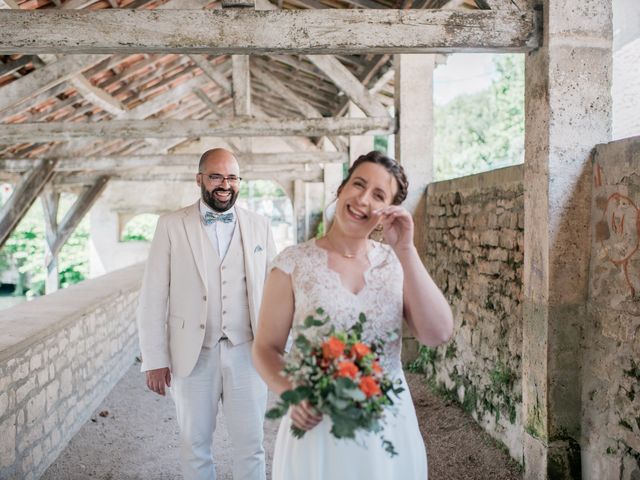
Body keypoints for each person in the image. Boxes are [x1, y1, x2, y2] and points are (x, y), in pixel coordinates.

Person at [252, 151, 454, 479]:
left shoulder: (396, 263)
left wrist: (406, 250)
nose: (363, 198)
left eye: (378, 195)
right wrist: (293, 391)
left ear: (387, 211)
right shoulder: (293, 263)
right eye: (358, 185)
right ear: (341, 189)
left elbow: (437, 334)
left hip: (387, 421)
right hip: (317, 424)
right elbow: (265, 348)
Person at [137, 148, 276, 480]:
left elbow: (275, 290)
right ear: (199, 179)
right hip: (192, 353)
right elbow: (153, 295)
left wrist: (279, 348)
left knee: (251, 445)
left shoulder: (260, 225)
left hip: (248, 351)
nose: (224, 184)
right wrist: (155, 357)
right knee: (194, 444)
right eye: (216, 176)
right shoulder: (171, 225)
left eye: (231, 177)